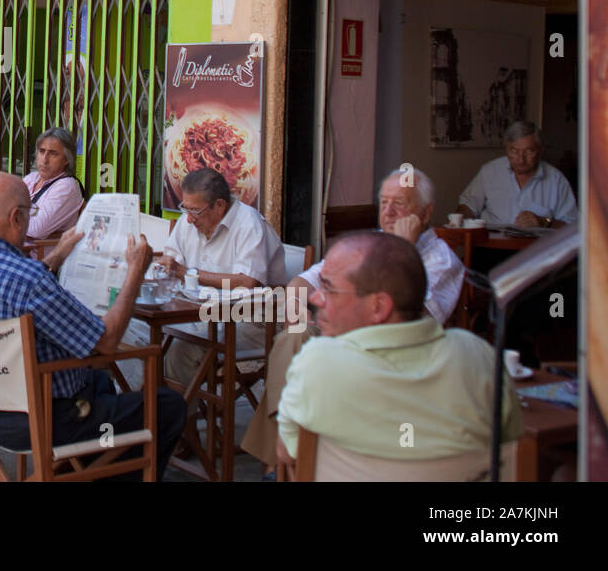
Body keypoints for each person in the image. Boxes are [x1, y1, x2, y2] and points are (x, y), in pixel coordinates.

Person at [0, 171, 187, 480]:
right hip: (44, 418)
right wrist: (134, 272)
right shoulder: (29, 279)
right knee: (168, 405)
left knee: (99, 381)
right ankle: (106, 470)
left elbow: (12, 290)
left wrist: (55, 257)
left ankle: (91, 467)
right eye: (30, 213)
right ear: (17, 217)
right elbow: (107, 342)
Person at [240, 167, 464, 467]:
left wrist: (403, 250)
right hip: (341, 343)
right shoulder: (366, 244)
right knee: (294, 338)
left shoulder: (441, 260)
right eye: (384, 202)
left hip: (393, 355)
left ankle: (284, 462)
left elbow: (411, 320)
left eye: (401, 204)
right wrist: (298, 316)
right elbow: (301, 283)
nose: (389, 212)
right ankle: (287, 454)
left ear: (425, 213)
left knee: (308, 361)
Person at [275, 231, 522, 476]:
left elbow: (291, 454)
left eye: (329, 289)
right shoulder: (479, 356)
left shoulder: (317, 362)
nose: (316, 299)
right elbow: (512, 445)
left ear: (378, 307)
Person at [153, 167, 287, 388]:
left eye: (195, 212)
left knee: (180, 349)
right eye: (185, 209)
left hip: (253, 320)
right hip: (206, 313)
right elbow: (172, 259)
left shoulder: (248, 223)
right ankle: (164, 412)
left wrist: (186, 272)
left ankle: (183, 419)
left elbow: (246, 282)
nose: (188, 219)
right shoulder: (191, 222)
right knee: (154, 341)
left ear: (220, 206)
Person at [457, 120, 578, 228]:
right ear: (506, 148)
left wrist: (545, 222)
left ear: (540, 150)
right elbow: (468, 206)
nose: (521, 159)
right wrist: (460, 218)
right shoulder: (489, 171)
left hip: (537, 249)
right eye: (514, 151)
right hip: (491, 247)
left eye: (529, 151)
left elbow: (573, 227)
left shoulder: (556, 180)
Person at [22, 127, 84, 239]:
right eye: (41, 151)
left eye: (53, 154)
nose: (44, 160)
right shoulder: (31, 179)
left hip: (39, 254)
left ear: (66, 160)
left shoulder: (67, 186)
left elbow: (36, 230)